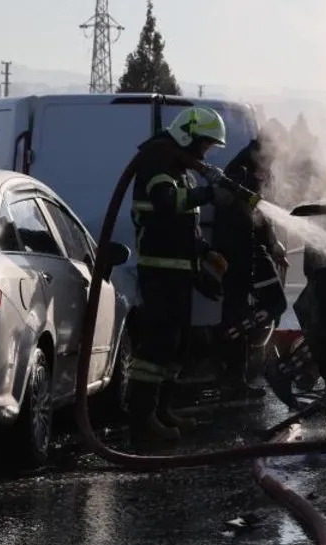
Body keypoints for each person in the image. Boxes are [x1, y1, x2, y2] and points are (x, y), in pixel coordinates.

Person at [126, 106, 235, 443]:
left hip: (178, 267)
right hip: (159, 268)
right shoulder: (157, 160)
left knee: (177, 345)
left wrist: (206, 252)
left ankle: (161, 410)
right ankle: (142, 420)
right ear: (188, 133)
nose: (205, 151)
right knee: (157, 345)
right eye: (204, 144)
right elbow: (165, 202)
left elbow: (184, 224)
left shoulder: (180, 165)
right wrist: (208, 193)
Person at [217, 136, 290, 398]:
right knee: (265, 306)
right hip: (240, 254)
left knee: (257, 307)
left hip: (245, 252)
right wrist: (273, 244)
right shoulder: (243, 174)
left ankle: (237, 368)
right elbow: (254, 214)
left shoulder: (244, 171)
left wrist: (272, 245)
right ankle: (232, 355)